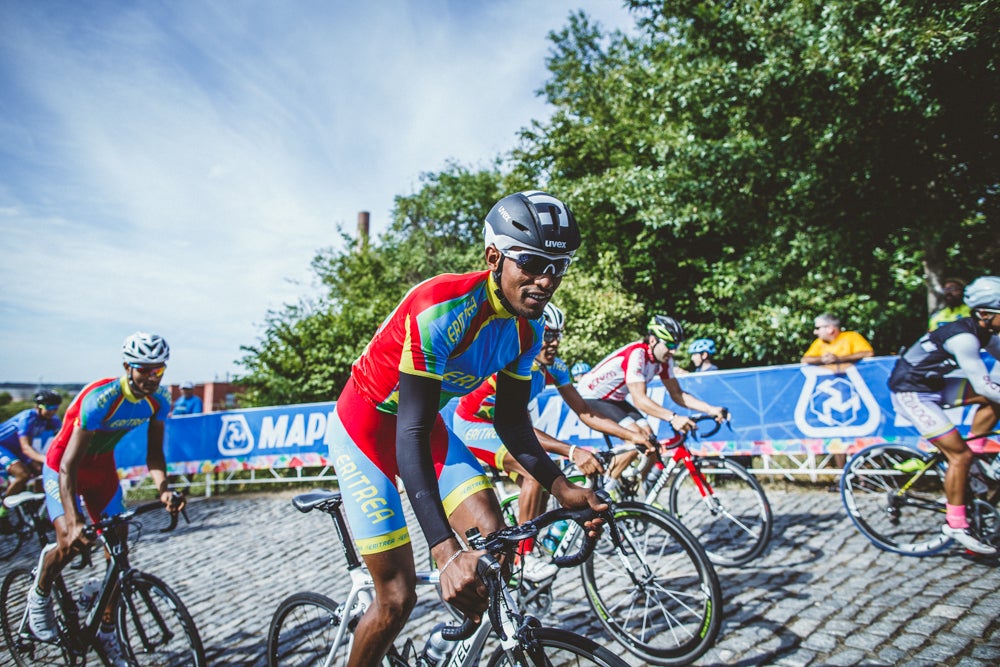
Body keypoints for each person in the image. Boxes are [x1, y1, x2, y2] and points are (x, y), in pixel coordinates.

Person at [327, 190, 606, 667]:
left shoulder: (528, 329)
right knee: (396, 597)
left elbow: (511, 421)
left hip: (422, 428)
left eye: (558, 267)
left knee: (493, 539)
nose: (546, 280)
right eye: (532, 263)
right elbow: (409, 433)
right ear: (494, 257)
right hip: (365, 430)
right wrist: (444, 552)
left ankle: (446, 646)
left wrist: (561, 488)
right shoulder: (439, 307)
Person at [452, 303, 650, 581]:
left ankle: (526, 544)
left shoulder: (555, 367)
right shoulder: (515, 362)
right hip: (474, 424)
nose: (554, 342)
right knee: (535, 472)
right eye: (547, 334)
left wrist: (631, 435)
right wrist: (571, 450)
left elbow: (586, 411)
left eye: (558, 335)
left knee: (546, 478)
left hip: (505, 425)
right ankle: (523, 559)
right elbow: (519, 428)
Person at [27, 332, 184, 665]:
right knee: (70, 540)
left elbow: (154, 454)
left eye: (158, 370)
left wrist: (164, 489)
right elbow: (68, 466)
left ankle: (107, 632)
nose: (151, 377)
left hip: (101, 469)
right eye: (144, 370)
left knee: (118, 550)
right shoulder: (101, 399)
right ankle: (39, 594)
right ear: (128, 367)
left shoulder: (159, 400)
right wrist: (75, 521)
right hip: (63, 467)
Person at [888, 276, 1000, 555]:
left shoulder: (986, 332)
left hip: (935, 384)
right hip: (910, 391)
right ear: (985, 314)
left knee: (989, 405)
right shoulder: (964, 338)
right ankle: (956, 524)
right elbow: (984, 384)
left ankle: (976, 455)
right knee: (959, 455)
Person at [576, 315, 728, 495]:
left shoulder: (664, 360)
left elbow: (677, 394)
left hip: (614, 399)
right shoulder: (637, 354)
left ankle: (641, 492)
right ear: (653, 340)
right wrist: (673, 417)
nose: (673, 351)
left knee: (650, 439)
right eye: (669, 345)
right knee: (637, 438)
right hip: (591, 397)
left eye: (676, 346)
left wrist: (711, 409)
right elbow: (640, 400)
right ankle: (605, 491)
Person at [801, 313, 874, 475]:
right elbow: (805, 359)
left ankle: (862, 476)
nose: (815, 332)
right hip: (831, 396)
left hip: (855, 394)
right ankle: (843, 476)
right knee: (835, 437)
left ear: (830, 328)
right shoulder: (820, 343)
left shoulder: (851, 337)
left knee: (857, 436)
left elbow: (868, 353)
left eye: (818, 328)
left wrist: (839, 358)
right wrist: (822, 359)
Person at [0, 389, 62, 519]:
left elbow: (62, 441)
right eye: (49, 407)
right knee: (23, 474)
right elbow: (26, 448)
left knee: (42, 471)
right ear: (39, 406)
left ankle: (38, 512)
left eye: (56, 408)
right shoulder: (27, 418)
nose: (52, 411)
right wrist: (46, 459)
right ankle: (3, 510)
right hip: (4, 447)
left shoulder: (53, 420)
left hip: (17, 448)